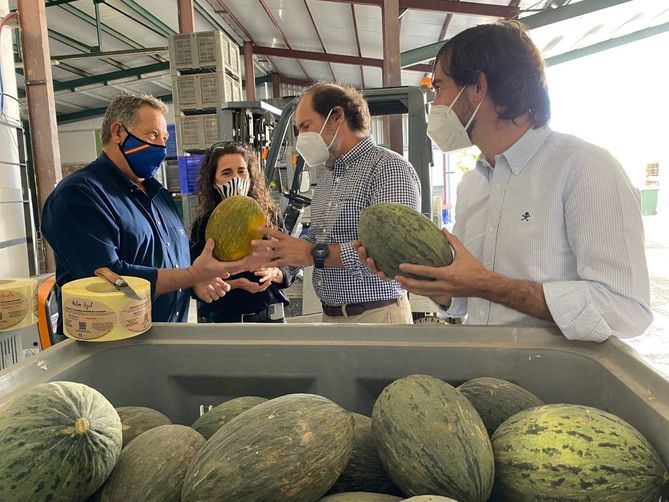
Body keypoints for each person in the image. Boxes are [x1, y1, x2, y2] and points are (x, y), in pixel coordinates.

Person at [359, 22, 652, 342]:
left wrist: (488, 284)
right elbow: (465, 300)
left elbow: (626, 310)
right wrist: (427, 283)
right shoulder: (473, 184)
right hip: (484, 378)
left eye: (439, 89)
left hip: (554, 386)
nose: (436, 105)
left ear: (478, 87)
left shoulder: (585, 167)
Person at [42, 93, 244, 330]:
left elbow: (170, 262)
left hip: (166, 342)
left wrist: (193, 283)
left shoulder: (159, 195)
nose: (161, 146)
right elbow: (109, 279)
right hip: (112, 352)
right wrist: (192, 275)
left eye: (164, 138)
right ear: (118, 133)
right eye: (152, 135)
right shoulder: (80, 194)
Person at [251, 82, 421, 324]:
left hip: (376, 317)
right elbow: (320, 238)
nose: (301, 138)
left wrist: (313, 254)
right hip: (331, 317)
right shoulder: (330, 176)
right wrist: (284, 254)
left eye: (306, 126)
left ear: (337, 117)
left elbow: (390, 251)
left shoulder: (388, 168)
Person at [189, 142, 295, 323]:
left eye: (241, 171)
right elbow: (194, 280)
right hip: (225, 323)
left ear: (250, 175)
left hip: (270, 320)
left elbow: (292, 262)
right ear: (213, 182)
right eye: (226, 173)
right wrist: (235, 284)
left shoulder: (269, 216)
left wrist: (275, 272)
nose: (235, 179)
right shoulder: (203, 225)